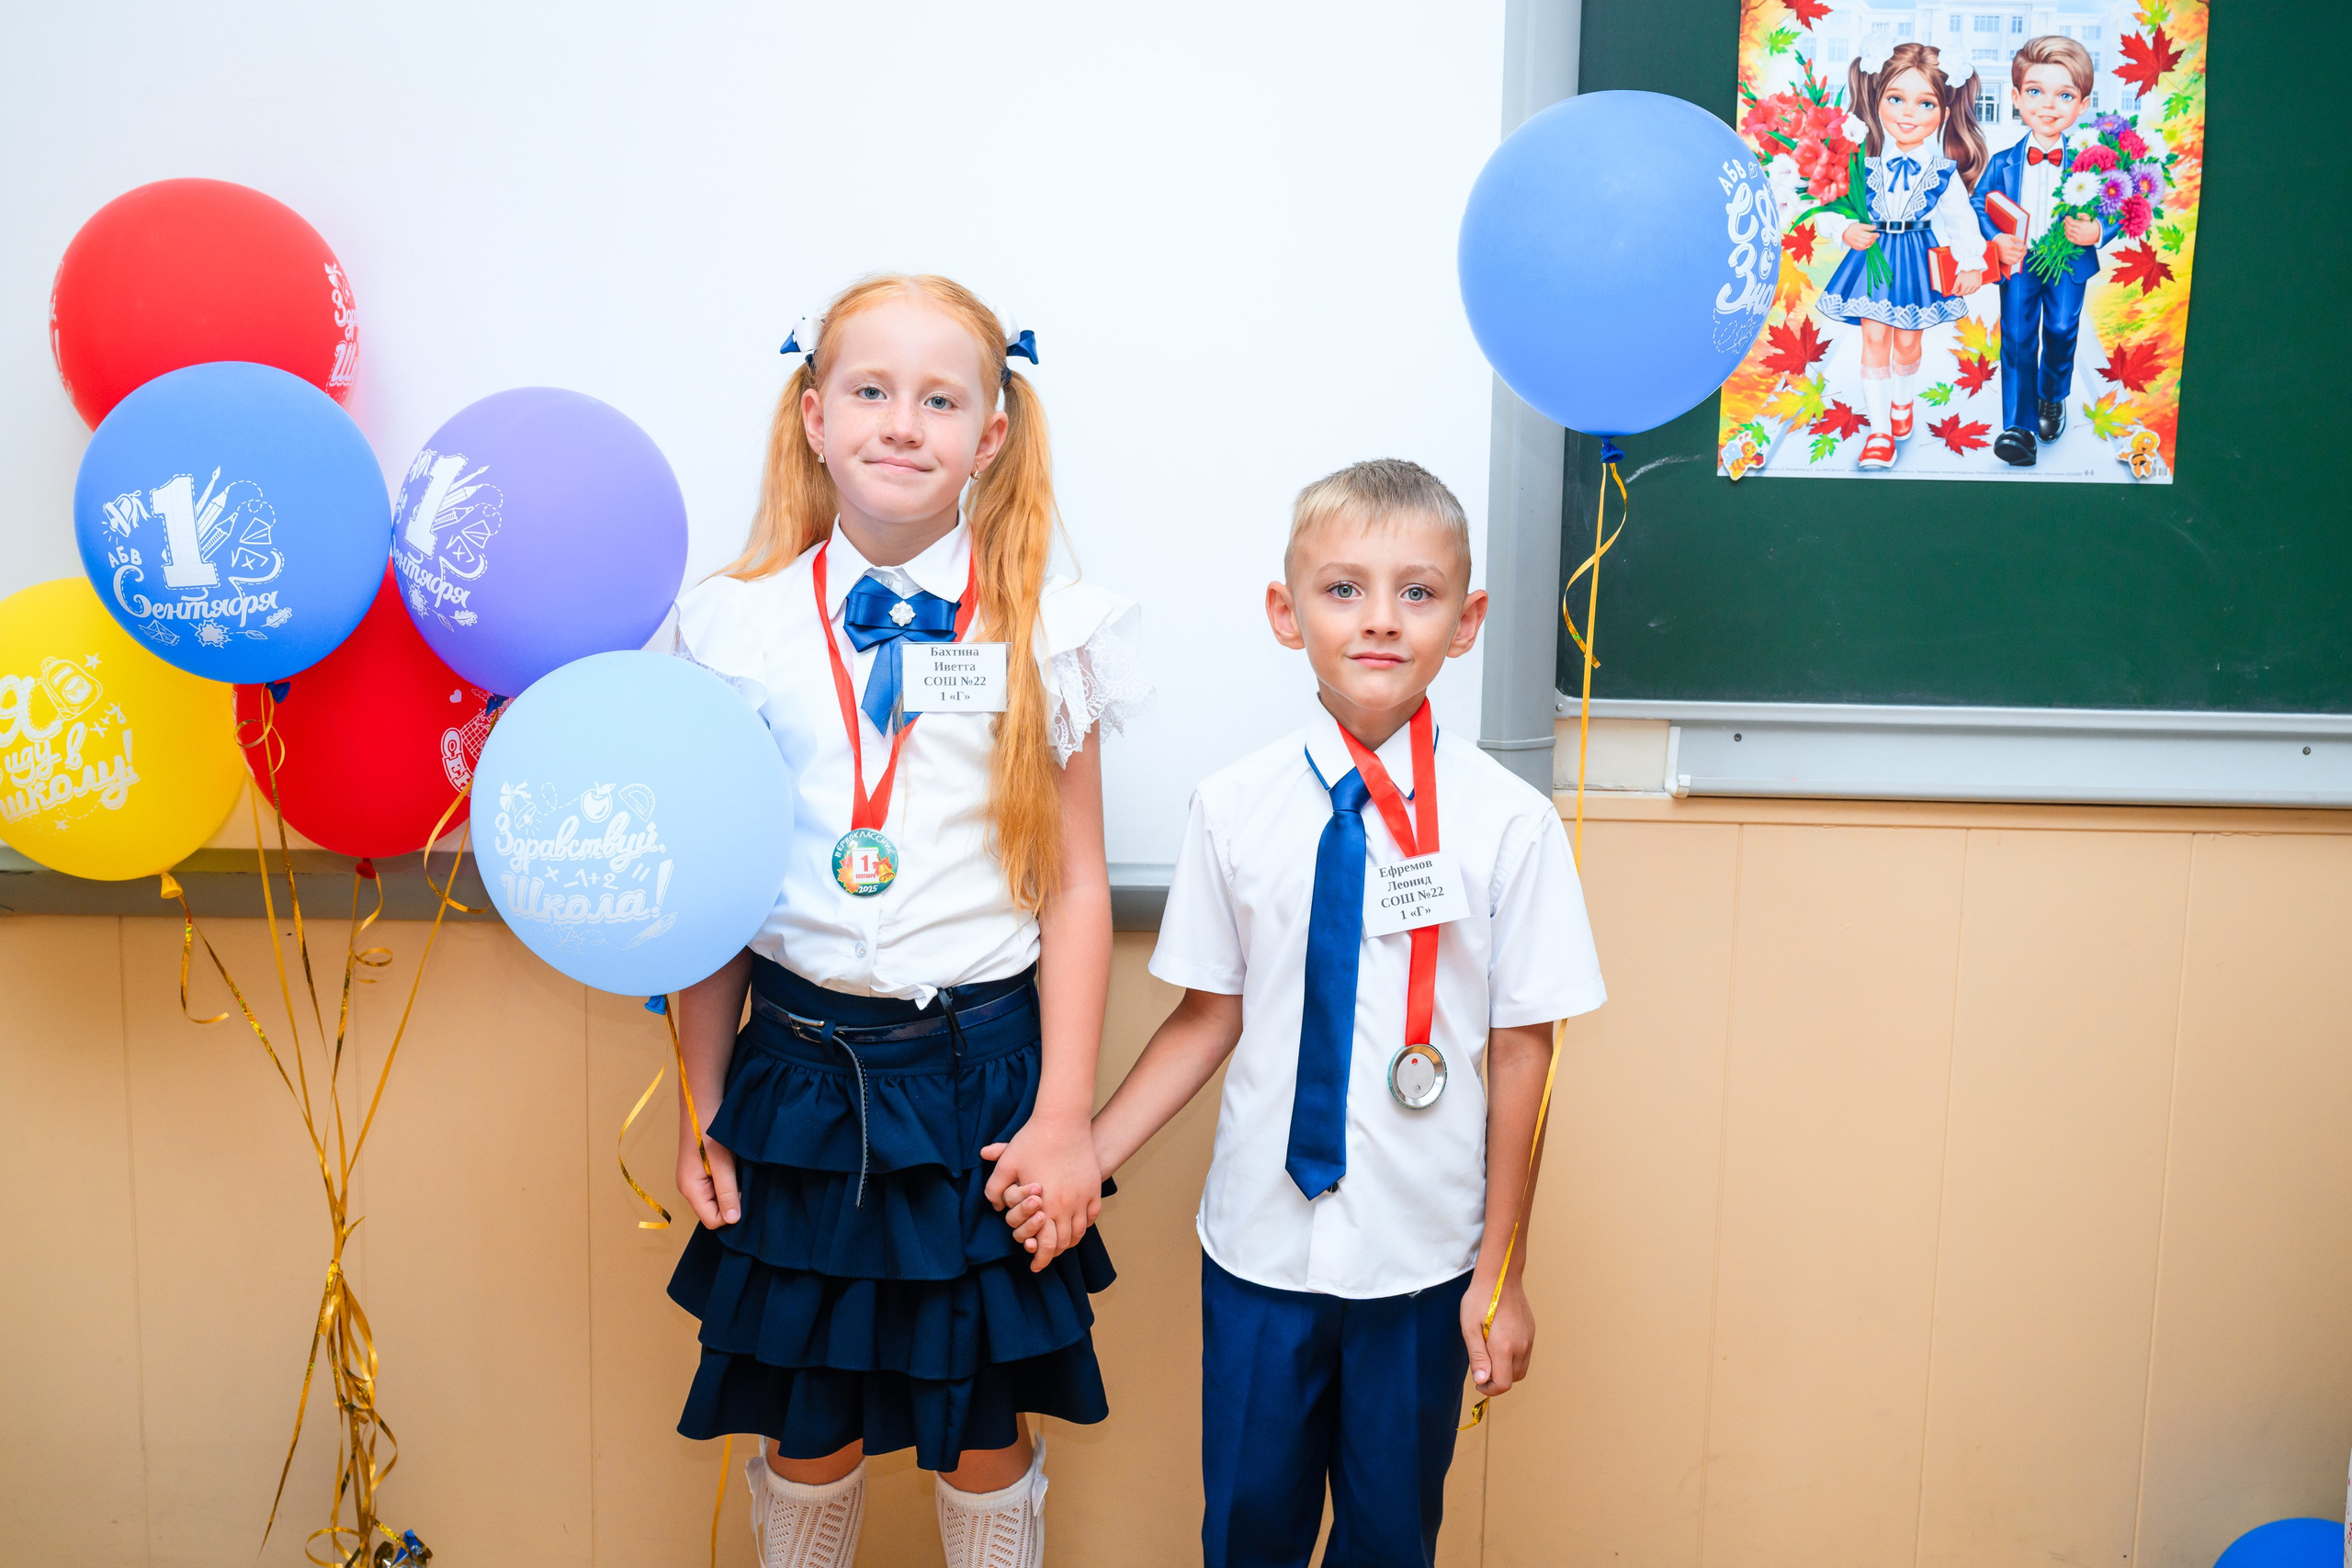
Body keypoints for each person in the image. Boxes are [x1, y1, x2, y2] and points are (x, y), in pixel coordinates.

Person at [1012, 459, 1604, 1566]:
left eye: (1418, 593)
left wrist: (1501, 1270)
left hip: (1424, 1265)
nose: (1381, 620)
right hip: (1258, 1254)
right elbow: (1205, 1016)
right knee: (1246, 1532)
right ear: (1285, 614)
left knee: (1390, 1540)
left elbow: (1525, 1052)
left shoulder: (1509, 826)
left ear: (1467, 621)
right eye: (1343, 590)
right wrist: (1087, 1157)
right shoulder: (1232, 808)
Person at [664, 274, 1145, 1568]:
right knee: (805, 1423)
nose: (902, 422)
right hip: (797, 1076)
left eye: (941, 398)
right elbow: (707, 897)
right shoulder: (734, 626)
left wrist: (1064, 1113)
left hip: (980, 1075)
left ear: (990, 434)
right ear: (814, 415)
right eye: (870, 391)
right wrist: (703, 1103)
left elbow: (1081, 885)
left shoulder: (1049, 625)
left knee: (979, 1417)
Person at [1815, 41, 1990, 471]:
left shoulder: (1942, 173)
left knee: (1908, 342)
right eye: (1896, 99)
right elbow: (1827, 208)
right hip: (1872, 256)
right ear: (1876, 103)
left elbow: (1962, 219)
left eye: (1924, 102)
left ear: (1944, 113)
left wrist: (1971, 263)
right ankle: (1879, 432)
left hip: (1917, 258)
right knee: (1875, 339)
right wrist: (1845, 230)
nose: (1908, 114)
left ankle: (1901, 403)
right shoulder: (1859, 162)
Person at [1974, 35, 2114, 468]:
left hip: (2068, 263)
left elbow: (2117, 203)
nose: (2048, 105)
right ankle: (2019, 426)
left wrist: (2099, 230)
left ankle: (2052, 396)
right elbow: (1981, 203)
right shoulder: (2002, 162)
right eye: (2035, 92)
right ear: (2016, 98)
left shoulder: (2093, 163)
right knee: (2016, 338)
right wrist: (1994, 239)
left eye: (2064, 95)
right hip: (2019, 263)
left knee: (2058, 329)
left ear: (2083, 104)